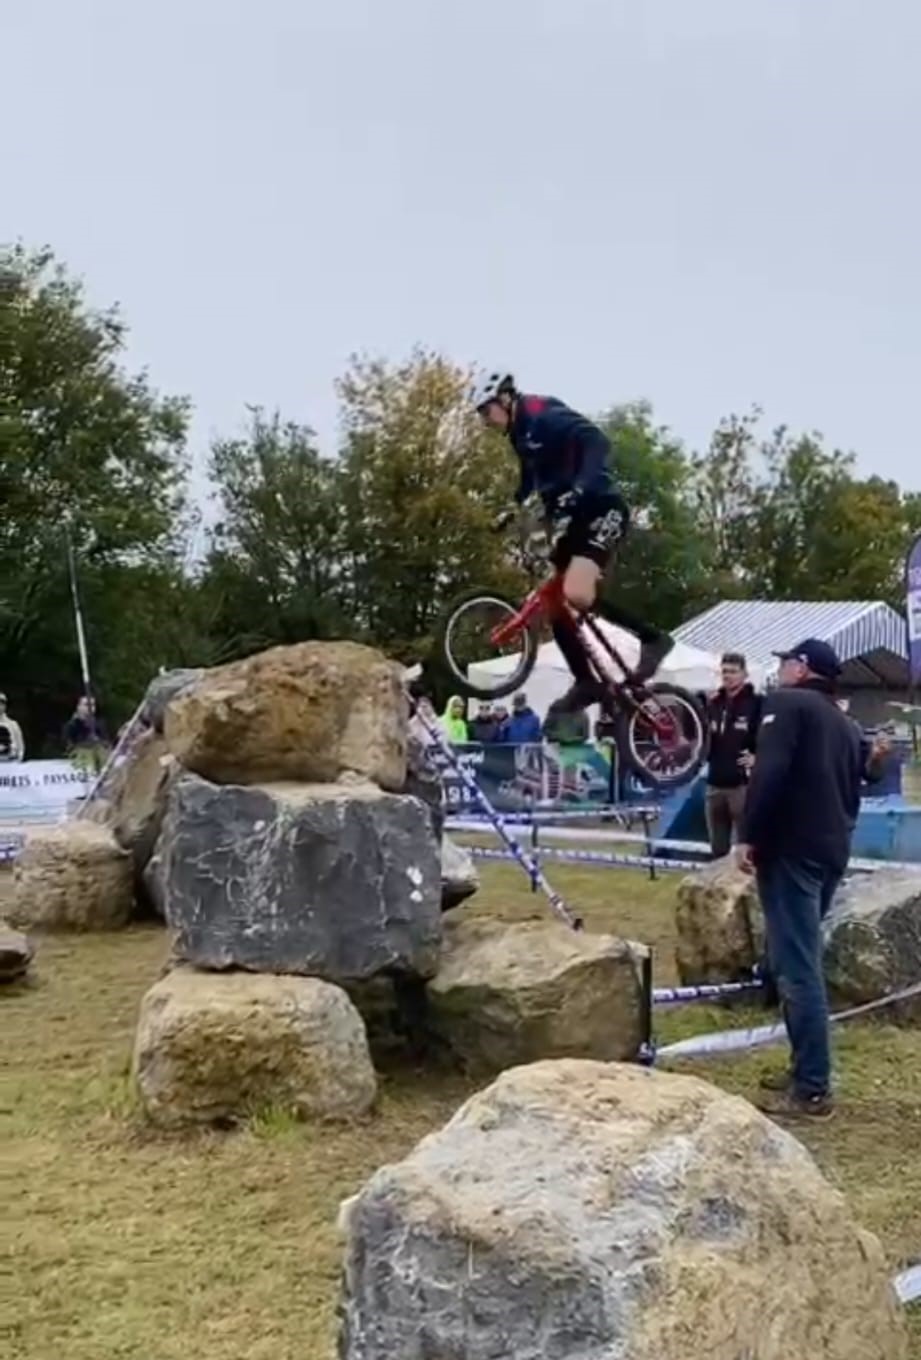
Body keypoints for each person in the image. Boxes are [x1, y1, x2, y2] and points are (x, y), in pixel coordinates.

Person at [735, 639, 883, 1121]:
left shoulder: (786, 704)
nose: (779, 670)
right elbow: (862, 776)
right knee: (789, 957)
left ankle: (812, 1088)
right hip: (830, 848)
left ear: (803, 669)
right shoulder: (843, 722)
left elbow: (771, 772)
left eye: (785, 662)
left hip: (793, 849)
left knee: (799, 967)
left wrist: (747, 835)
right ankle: (803, 1067)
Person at [473, 371, 673, 725]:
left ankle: (653, 638)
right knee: (552, 599)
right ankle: (585, 682)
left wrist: (581, 488)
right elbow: (529, 479)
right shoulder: (519, 433)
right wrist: (512, 508)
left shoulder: (540, 413)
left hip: (602, 509)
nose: (484, 421)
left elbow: (596, 441)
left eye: (485, 411)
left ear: (503, 399)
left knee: (577, 594)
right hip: (575, 519)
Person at [704, 652, 763, 858]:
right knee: (718, 848)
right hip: (714, 783)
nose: (727, 676)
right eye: (724, 671)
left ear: (744, 674)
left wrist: (758, 757)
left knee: (745, 847)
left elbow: (771, 736)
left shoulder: (757, 703)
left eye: (733, 671)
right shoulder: (713, 703)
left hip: (741, 785)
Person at [0, 692, 25, 761]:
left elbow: (20, 746)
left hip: (11, 763)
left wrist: (18, 760)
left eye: (2, 704)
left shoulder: (13, 724)